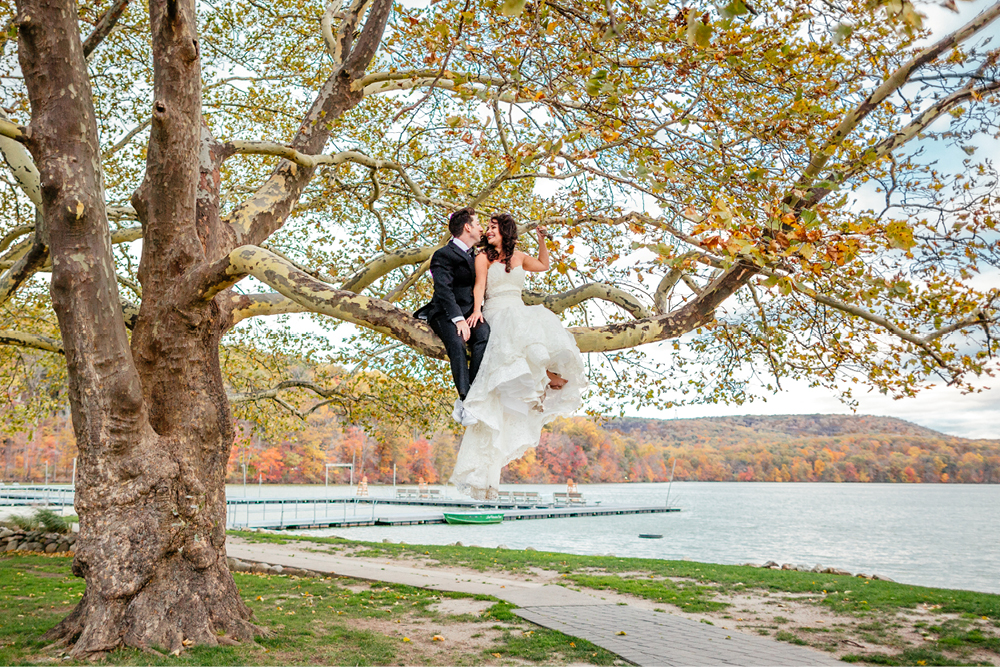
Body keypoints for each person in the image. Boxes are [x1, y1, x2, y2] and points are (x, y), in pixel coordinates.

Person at [449, 213, 587, 500]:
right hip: (496, 311)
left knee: (534, 341)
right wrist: (476, 311)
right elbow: (479, 287)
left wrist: (541, 240)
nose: (488, 231)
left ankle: (543, 379)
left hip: (518, 309)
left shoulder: (521, 257)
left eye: (493, 228)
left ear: (505, 231)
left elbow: (544, 265)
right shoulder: (483, 258)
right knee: (518, 343)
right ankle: (544, 379)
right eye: (486, 228)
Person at [414, 208, 491, 425]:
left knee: (484, 335)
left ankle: (473, 396)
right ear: (467, 227)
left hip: (471, 312)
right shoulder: (443, 255)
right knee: (457, 343)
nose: (481, 228)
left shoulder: (477, 256)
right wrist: (458, 319)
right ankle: (465, 398)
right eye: (478, 224)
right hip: (445, 313)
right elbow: (443, 290)